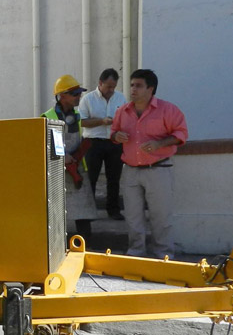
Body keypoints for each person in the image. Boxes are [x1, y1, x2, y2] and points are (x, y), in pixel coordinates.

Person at [110, 69, 188, 258]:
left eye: (138, 85)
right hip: (130, 170)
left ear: (150, 89)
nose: (133, 89)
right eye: (131, 85)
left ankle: (164, 255)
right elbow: (113, 133)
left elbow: (181, 134)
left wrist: (159, 144)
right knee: (133, 217)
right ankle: (136, 252)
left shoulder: (168, 110)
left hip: (159, 169)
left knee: (161, 217)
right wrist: (116, 136)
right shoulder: (122, 111)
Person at [43, 75, 97, 240]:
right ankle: (58, 250)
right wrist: (62, 156)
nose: (78, 97)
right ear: (62, 95)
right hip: (56, 171)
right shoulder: (46, 117)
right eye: (74, 94)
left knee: (84, 213)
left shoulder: (78, 116)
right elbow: (43, 144)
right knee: (56, 214)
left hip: (78, 168)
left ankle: (87, 248)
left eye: (79, 93)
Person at [78, 68, 127, 220]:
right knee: (91, 178)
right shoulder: (88, 99)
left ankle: (113, 210)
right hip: (93, 143)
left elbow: (126, 118)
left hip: (114, 142)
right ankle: (89, 211)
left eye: (114, 87)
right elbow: (82, 121)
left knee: (114, 178)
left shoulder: (120, 98)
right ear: (100, 83)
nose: (111, 90)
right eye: (108, 87)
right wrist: (102, 121)